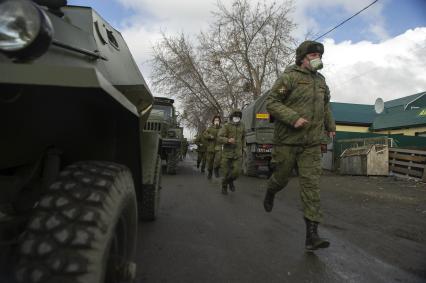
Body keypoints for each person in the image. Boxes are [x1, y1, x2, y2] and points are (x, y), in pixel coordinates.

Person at [263, 40, 336, 252]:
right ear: (302, 58)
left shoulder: (321, 81)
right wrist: (293, 118)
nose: (317, 59)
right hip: (287, 140)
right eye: (312, 55)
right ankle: (271, 189)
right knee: (282, 178)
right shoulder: (289, 77)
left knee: (311, 186)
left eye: (319, 56)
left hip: (312, 143)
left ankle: (312, 235)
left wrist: (330, 126)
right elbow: (272, 103)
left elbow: (325, 106)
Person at [218, 109, 245, 194]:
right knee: (226, 173)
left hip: (238, 153)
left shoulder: (242, 125)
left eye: (238, 116)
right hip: (227, 153)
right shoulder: (226, 126)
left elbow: (244, 137)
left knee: (237, 172)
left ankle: (230, 181)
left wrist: (244, 147)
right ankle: (224, 186)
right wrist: (228, 140)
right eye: (235, 115)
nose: (236, 117)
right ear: (232, 116)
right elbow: (219, 137)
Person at [203, 115, 223, 179]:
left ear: (220, 121)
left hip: (218, 146)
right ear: (213, 121)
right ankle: (210, 172)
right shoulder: (210, 128)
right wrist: (210, 136)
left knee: (218, 160)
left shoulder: (222, 128)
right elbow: (205, 134)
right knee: (210, 161)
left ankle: (216, 169)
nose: (216, 121)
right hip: (211, 147)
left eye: (218, 120)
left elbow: (226, 134)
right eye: (215, 120)